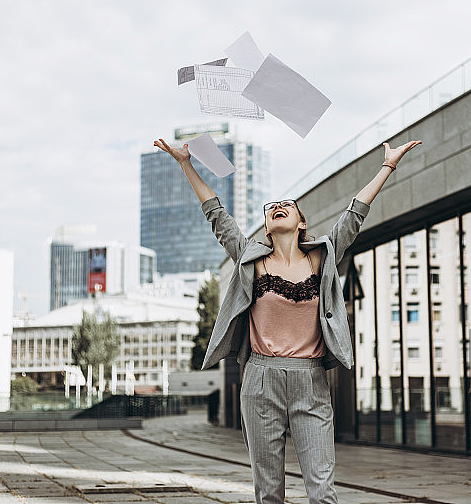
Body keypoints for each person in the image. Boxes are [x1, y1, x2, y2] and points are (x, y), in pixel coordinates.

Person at [153, 137, 421, 504]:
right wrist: (185, 163)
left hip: (311, 381)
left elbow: (355, 215)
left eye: (287, 206)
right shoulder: (249, 257)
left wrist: (387, 165)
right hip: (261, 379)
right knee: (269, 492)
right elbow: (216, 214)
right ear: (266, 227)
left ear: (301, 222)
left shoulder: (323, 256)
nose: (278, 207)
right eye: (272, 207)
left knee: (322, 489)